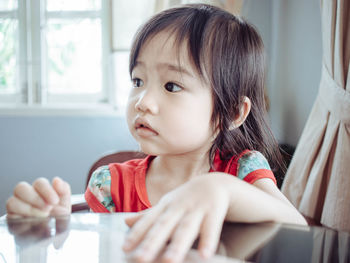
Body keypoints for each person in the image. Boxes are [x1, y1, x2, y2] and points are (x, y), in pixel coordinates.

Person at [6, 4, 307, 263]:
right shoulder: (110, 183)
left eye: (171, 86)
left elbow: (298, 229)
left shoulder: (242, 168)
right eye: (138, 81)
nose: (142, 102)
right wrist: (51, 228)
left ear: (232, 113)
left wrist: (222, 189)